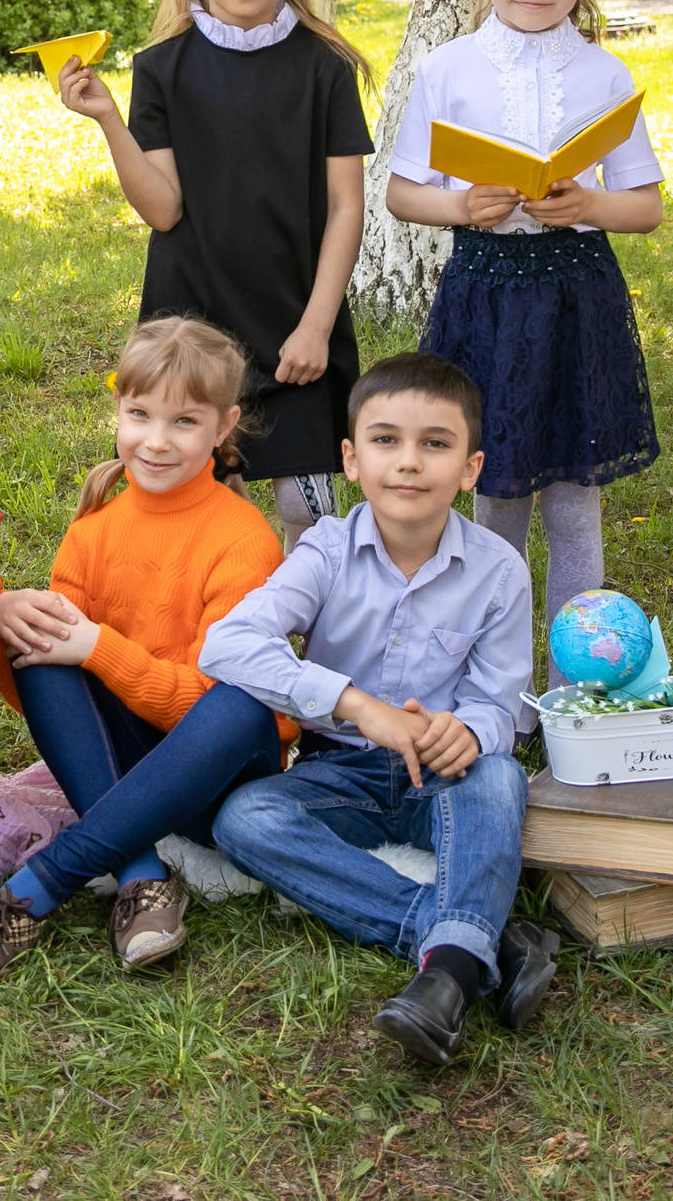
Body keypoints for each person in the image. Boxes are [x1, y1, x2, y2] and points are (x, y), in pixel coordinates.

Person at [201, 353, 562, 1067]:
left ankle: (448, 973)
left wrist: (473, 730)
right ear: (351, 458)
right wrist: (354, 704)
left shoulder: (498, 571)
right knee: (244, 819)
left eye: (436, 443)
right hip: (342, 770)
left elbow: (499, 701)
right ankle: (467, 945)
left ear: (470, 468)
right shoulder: (326, 550)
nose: (409, 462)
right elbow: (227, 643)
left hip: (444, 777)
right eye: (386, 440)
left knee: (501, 780)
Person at [0, 318, 288, 981]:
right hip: (125, 762)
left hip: (220, 775)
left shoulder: (244, 543)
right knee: (39, 640)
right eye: (139, 414)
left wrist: (98, 647)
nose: (155, 442)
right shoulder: (95, 529)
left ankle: (34, 891)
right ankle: (143, 876)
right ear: (118, 411)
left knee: (241, 705)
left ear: (222, 427)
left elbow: (212, 712)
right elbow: (44, 695)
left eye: (184, 422)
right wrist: (3, 623)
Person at [381, 0, 666, 638]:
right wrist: (464, 206)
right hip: (488, 290)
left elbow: (645, 207)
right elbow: (403, 194)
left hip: (579, 291)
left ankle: (581, 677)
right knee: (493, 489)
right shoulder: (449, 70)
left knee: (575, 498)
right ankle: (494, 684)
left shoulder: (604, 74)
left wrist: (587, 202)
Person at [52, 0, 373, 550]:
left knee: (311, 516)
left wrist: (317, 326)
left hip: (297, 326)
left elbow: (348, 207)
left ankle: (312, 652)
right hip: (190, 327)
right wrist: (110, 119)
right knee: (195, 520)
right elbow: (163, 210)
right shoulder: (161, 69)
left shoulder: (325, 69)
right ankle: (201, 655)